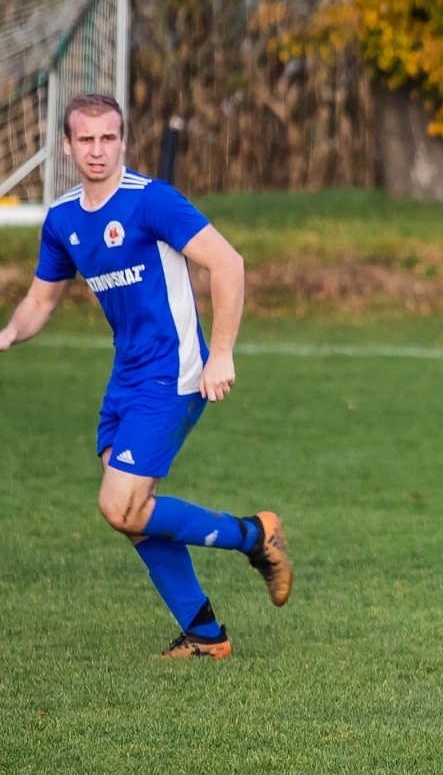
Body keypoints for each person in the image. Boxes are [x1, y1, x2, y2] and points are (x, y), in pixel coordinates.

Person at [0, 94, 293, 658]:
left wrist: (222, 354)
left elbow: (228, 263)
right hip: (127, 376)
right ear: (67, 146)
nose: (97, 150)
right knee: (133, 514)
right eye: (85, 139)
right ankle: (206, 635)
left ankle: (256, 535)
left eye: (108, 138)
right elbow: (41, 298)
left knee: (120, 504)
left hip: (175, 372)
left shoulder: (151, 201)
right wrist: (10, 333)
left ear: (123, 142)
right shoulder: (63, 219)